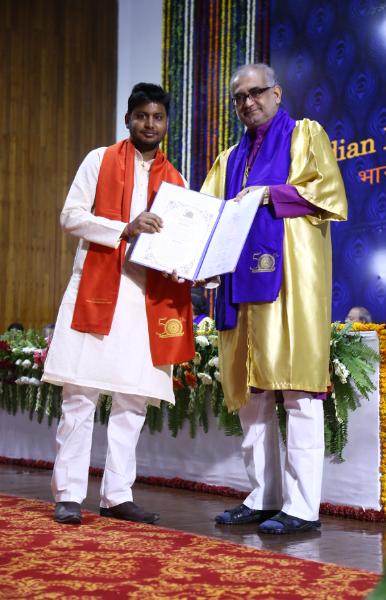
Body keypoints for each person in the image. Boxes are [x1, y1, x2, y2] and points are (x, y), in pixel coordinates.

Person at [201, 64, 347, 534]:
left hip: (290, 284)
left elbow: (326, 193)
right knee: (254, 395)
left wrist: (268, 193)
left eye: (256, 92)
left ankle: (302, 507)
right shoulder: (228, 160)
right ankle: (262, 497)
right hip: (239, 287)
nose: (248, 102)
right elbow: (206, 215)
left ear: (277, 93)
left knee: (298, 391)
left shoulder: (305, 136)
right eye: (239, 97)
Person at [42, 83, 194, 525]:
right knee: (80, 394)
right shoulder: (100, 159)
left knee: (134, 399)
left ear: (167, 123)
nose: (150, 124)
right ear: (128, 119)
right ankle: (69, 493)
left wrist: (191, 266)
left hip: (147, 299)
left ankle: (117, 495)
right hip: (97, 287)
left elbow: (180, 242)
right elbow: (71, 217)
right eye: (142, 116)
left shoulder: (177, 181)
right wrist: (124, 228)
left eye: (158, 117)